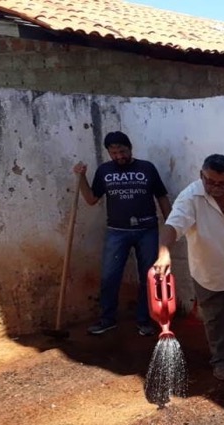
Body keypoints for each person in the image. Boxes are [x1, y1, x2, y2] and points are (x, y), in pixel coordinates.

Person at [153, 154, 224, 381]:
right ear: (201, 175)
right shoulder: (189, 198)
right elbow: (172, 226)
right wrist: (164, 253)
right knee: (215, 320)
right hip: (209, 273)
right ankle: (220, 360)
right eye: (211, 182)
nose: (217, 187)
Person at [74, 131, 171, 336]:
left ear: (130, 148)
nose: (118, 156)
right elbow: (91, 199)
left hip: (147, 230)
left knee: (149, 276)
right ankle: (107, 319)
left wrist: (171, 225)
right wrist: (81, 177)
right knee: (110, 276)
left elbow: (161, 196)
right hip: (117, 231)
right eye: (114, 152)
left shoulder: (147, 168)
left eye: (122, 151)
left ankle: (144, 320)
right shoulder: (104, 171)